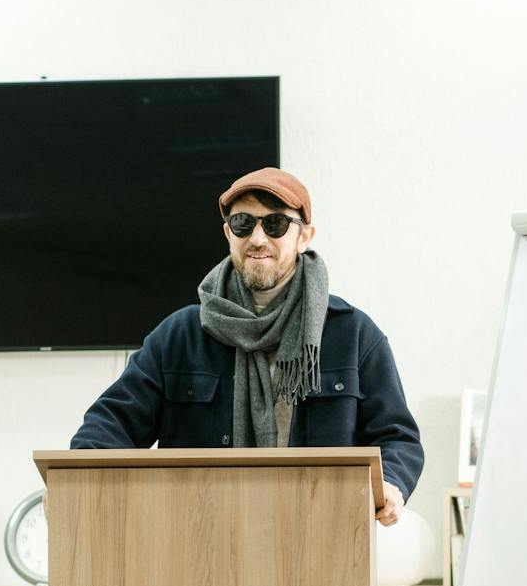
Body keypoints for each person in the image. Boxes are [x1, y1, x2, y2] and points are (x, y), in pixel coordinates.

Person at [71, 166, 423, 521]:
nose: (257, 238)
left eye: (275, 224)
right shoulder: (179, 335)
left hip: (318, 536)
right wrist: (72, 481)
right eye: (243, 223)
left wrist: (391, 483)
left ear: (304, 236)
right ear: (228, 234)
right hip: (201, 536)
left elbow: (398, 437)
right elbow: (111, 423)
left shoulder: (354, 334)